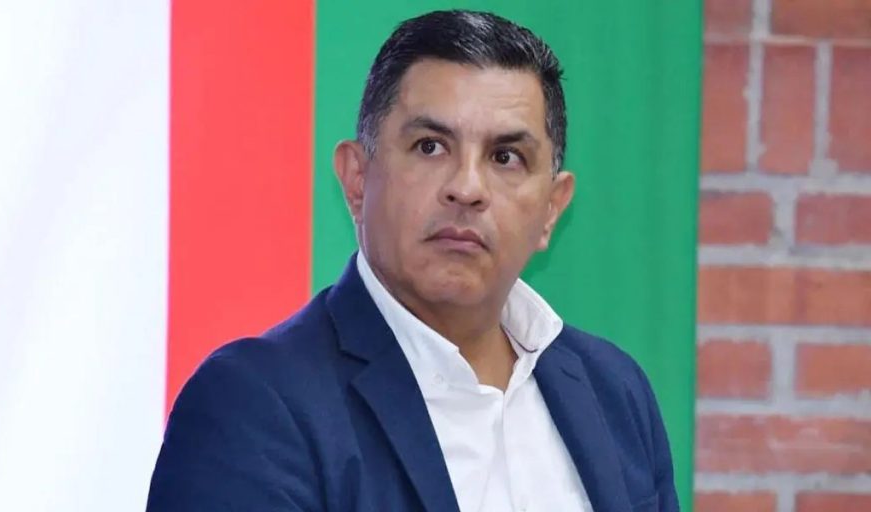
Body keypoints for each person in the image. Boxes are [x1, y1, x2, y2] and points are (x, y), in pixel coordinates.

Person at [147, 9, 678, 512]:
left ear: (551, 210)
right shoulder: (255, 405)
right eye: (430, 146)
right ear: (357, 180)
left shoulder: (614, 392)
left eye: (505, 157)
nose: (467, 188)